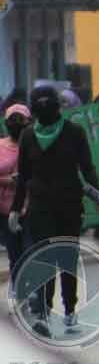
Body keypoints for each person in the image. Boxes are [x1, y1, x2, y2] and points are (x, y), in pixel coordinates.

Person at [8, 86, 99, 336]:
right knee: (44, 259)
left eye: (47, 102)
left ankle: (70, 312)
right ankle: (42, 313)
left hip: (69, 204)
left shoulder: (74, 132)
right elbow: (23, 176)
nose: (43, 107)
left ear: (57, 105)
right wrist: (15, 209)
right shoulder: (29, 136)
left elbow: (87, 166)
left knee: (66, 259)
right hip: (40, 207)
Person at [0, 105, 30, 274]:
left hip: (29, 209)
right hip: (5, 210)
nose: (17, 124)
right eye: (13, 120)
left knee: (29, 250)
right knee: (14, 253)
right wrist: (9, 180)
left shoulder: (35, 145)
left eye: (21, 120)